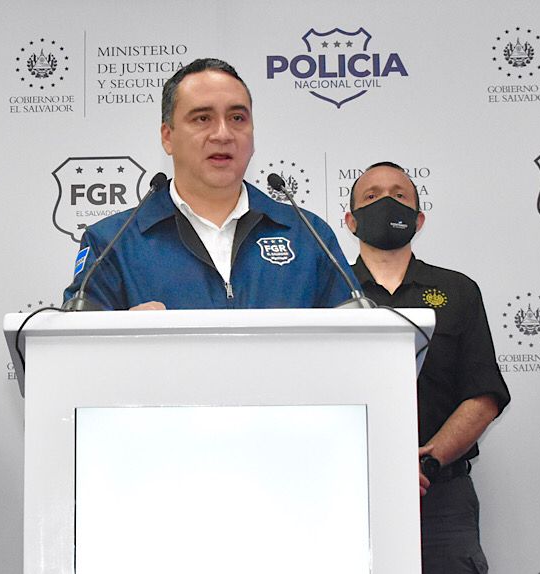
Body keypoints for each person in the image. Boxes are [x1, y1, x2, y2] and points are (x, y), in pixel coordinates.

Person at [63, 57, 355, 310]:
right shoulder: (112, 243)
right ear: (168, 137)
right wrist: (124, 334)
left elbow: (357, 339)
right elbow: (76, 346)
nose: (223, 134)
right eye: (203, 118)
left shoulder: (308, 235)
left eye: (237, 118)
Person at [347, 162, 511, 573]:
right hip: (346, 492)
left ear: (418, 220)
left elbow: (483, 395)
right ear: (350, 221)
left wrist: (425, 463)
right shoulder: (324, 292)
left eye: (399, 195)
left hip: (440, 497)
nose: (386, 203)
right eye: (371, 196)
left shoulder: (458, 291)